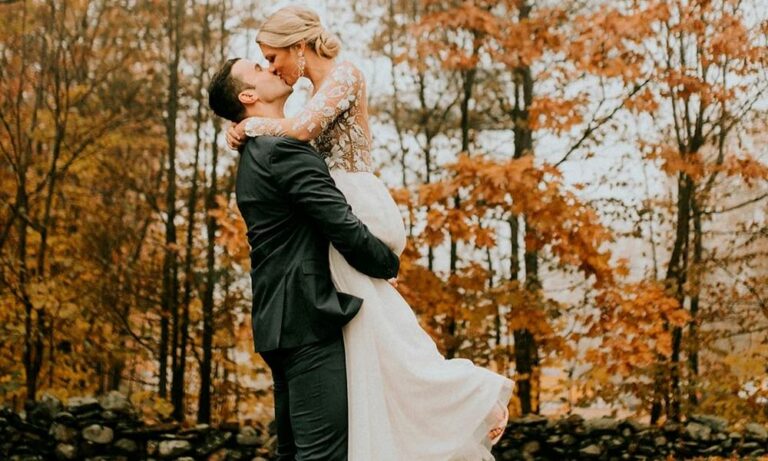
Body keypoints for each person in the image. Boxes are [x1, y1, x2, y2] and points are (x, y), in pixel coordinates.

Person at [227, 7, 513, 460]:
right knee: (379, 331)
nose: (272, 66)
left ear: (297, 46)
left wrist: (249, 125)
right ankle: (441, 410)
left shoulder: (341, 79)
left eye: (271, 56)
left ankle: (471, 395)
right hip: (335, 223)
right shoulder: (291, 123)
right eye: (262, 63)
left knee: (385, 328)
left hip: (357, 201)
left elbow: (299, 133)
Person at [208, 57, 400, 460]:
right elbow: (341, 224)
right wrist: (387, 265)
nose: (271, 67)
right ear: (248, 95)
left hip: (278, 320)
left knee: (295, 454)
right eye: (259, 67)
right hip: (308, 318)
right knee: (322, 456)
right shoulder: (281, 151)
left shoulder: (256, 150)